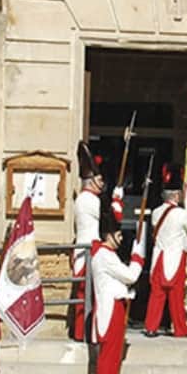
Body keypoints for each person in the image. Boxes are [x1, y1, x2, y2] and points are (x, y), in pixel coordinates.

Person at [91, 194, 146, 374]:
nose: (121, 238)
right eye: (119, 234)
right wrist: (138, 256)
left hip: (115, 306)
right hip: (110, 308)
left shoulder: (105, 254)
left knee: (112, 356)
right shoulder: (106, 256)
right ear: (109, 235)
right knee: (109, 357)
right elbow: (131, 275)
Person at [69, 144, 122, 342]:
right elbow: (109, 218)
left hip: (84, 247)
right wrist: (116, 202)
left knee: (85, 292)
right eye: (99, 180)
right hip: (90, 248)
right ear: (91, 181)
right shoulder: (91, 200)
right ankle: (83, 331)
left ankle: (80, 330)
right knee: (88, 293)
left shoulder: (84, 198)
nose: (102, 184)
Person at [144, 163, 187, 338]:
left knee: (157, 294)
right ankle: (179, 328)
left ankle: (151, 326)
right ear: (176, 195)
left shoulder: (155, 212)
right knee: (176, 296)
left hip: (159, 256)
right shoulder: (181, 214)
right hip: (176, 256)